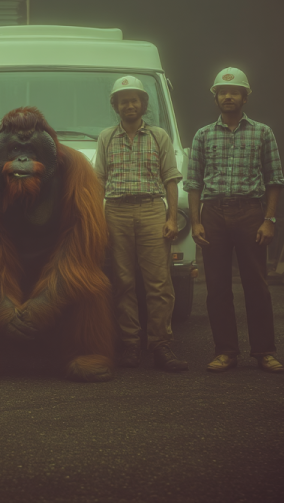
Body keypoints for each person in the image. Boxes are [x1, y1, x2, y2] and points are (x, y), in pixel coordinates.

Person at [184, 67, 284, 374]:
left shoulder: (262, 132)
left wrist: (269, 220)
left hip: (250, 213)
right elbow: (193, 183)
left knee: (256, 284)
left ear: (245, 97)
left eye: (234, 92)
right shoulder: (203, 135)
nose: (228, 96)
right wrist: (196, 222)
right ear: (216, 97)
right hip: (213, 214)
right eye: (222, 92)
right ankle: (226, 351)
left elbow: (275, 179)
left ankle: (264, 351)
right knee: (216, 286)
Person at [95, 76, 187, 372]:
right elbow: (99, 180)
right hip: (117, 212)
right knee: (123, 282)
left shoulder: (159, 136)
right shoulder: (106, 137)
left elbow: (170, 179)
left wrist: (172, 218)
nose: (130, 105)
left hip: (151, 210)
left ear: (143, 104)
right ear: (116, 106)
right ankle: (130, 345)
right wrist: (98, 217)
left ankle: (161, 345)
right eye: (124, 100)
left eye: (135, 99)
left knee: (159, 283)